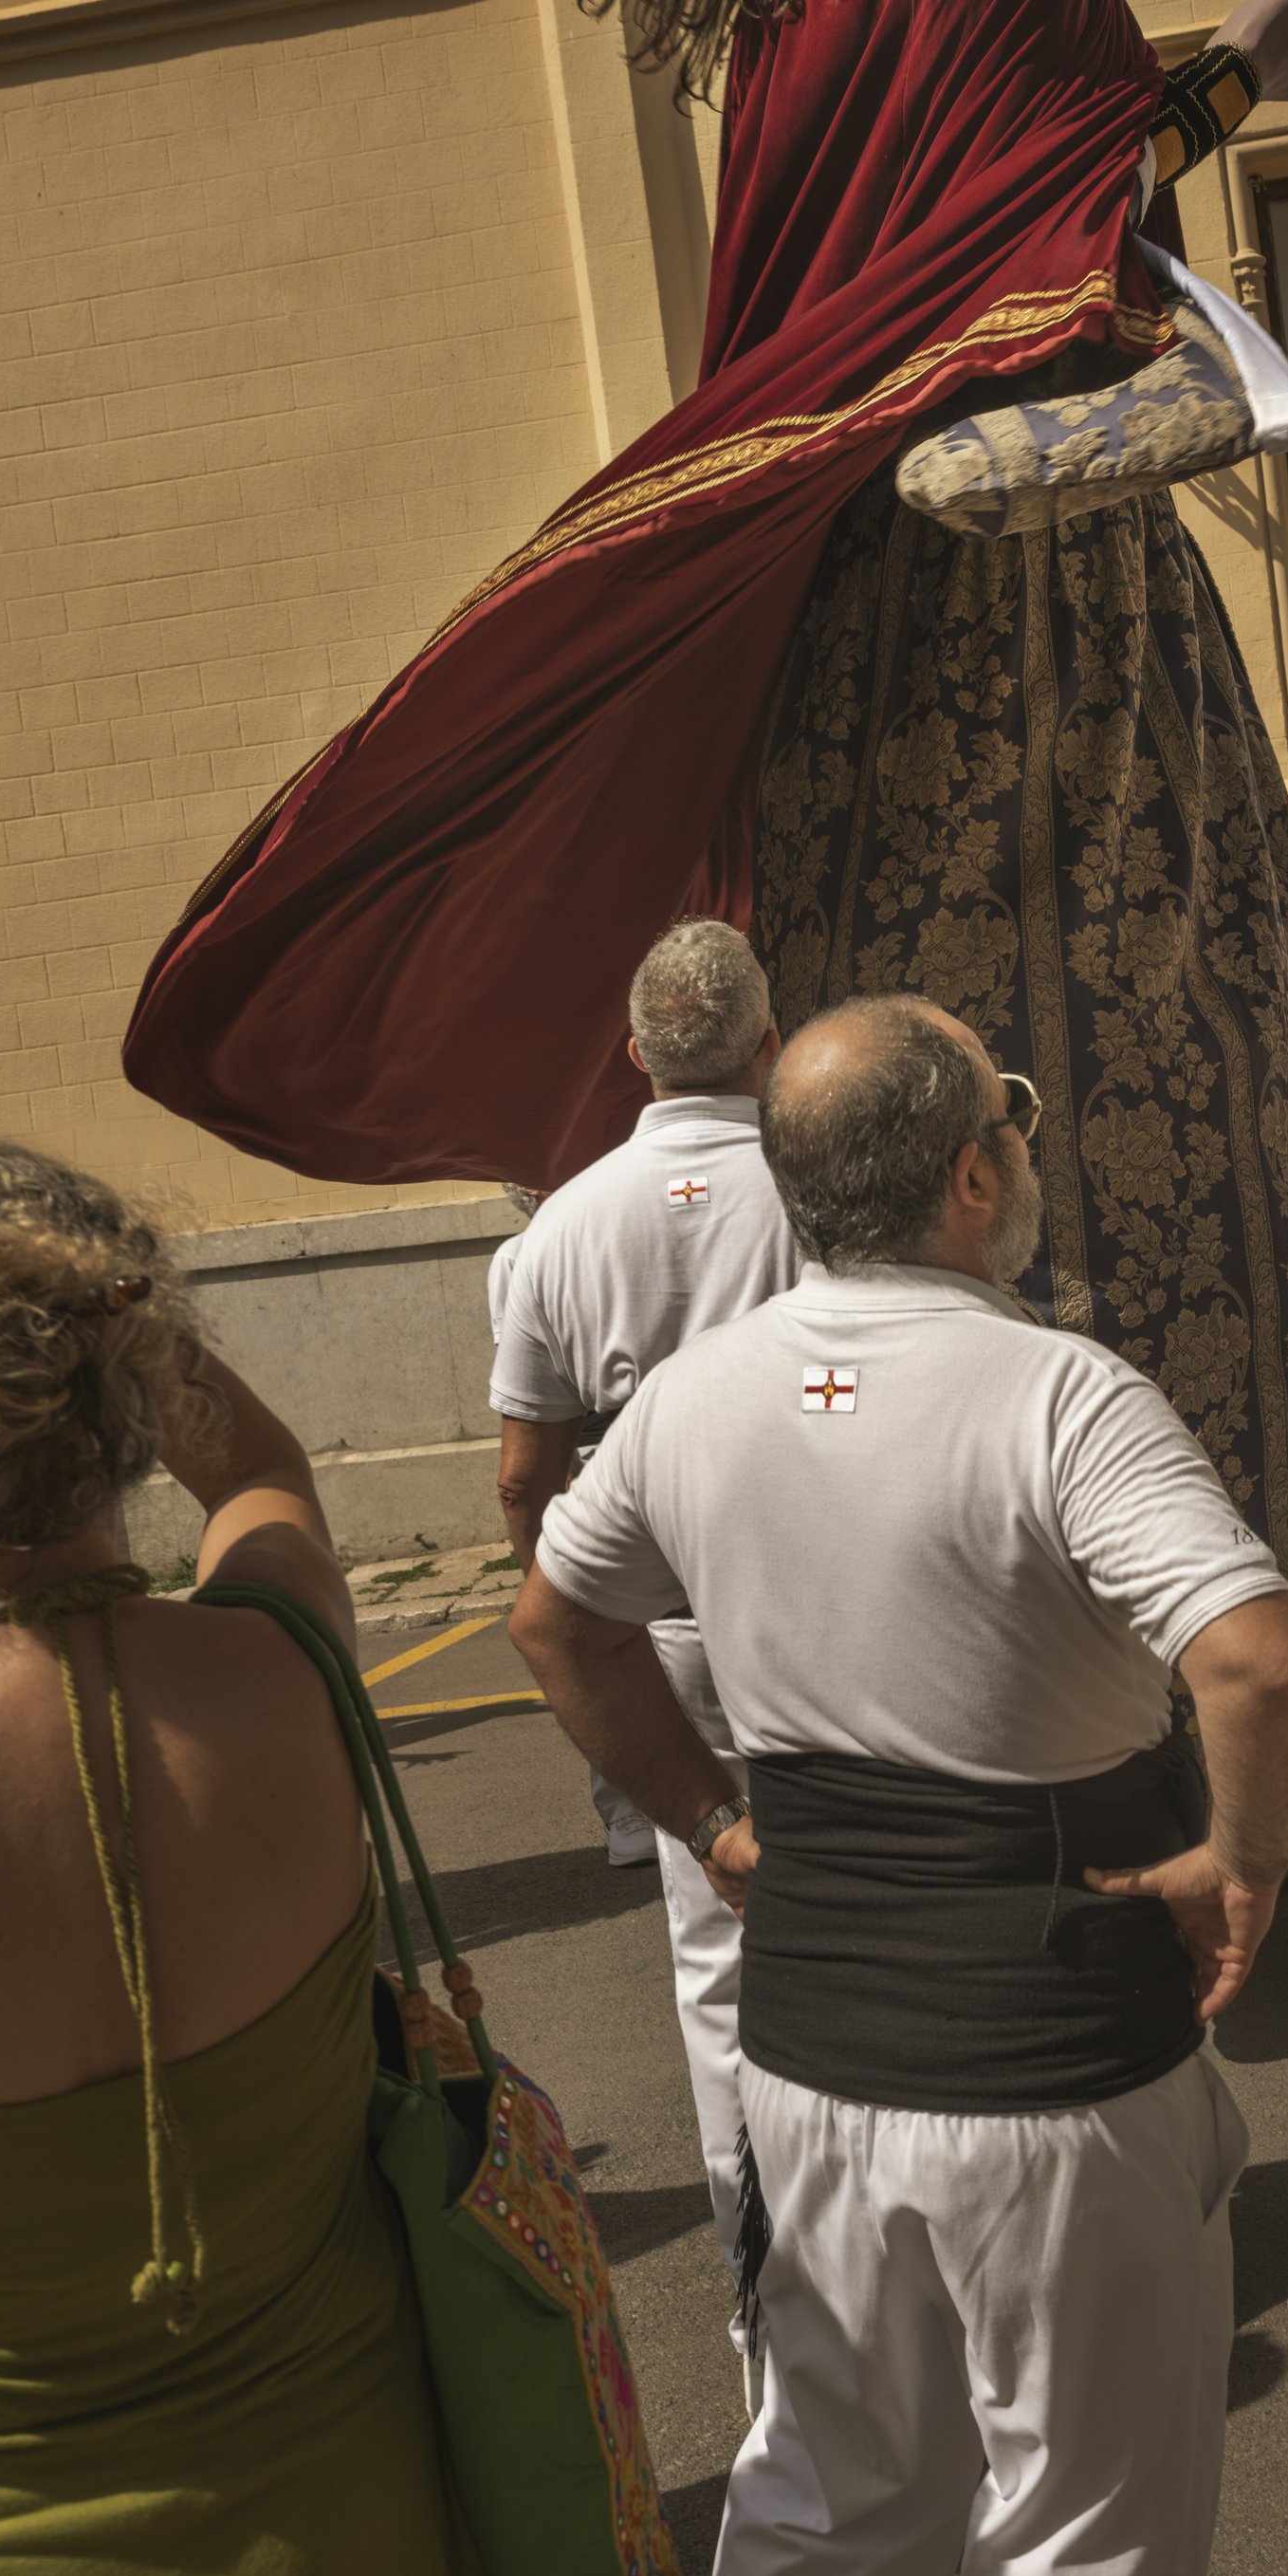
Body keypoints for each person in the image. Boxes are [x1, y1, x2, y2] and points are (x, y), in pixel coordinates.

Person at [125, 0, 1288, 1773]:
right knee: (1140, 1105)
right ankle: (1178, 1698)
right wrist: (1258, 63)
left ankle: (930, 1700)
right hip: (1042, 625)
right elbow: (1042, 251)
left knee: (901, 1154)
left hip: (854, 637)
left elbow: (924, 261)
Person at [509, 995, 1288, 2576]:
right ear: (971, 1175)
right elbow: (1256, 1660)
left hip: (810, 2052)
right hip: (1058, 2054)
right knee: (1077, 2523)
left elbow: (554, 1623)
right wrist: (1241, 1861)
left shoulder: (693, 1396)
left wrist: (712, 1819)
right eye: (1010, 1123)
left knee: (825, 2492)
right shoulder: (1061, 1393)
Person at [0, 1143, 488, 2576]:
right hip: (341, 2568)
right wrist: (119, 1321)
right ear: (129, 1385)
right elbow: (263, 1468)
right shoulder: (287, 1661)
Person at [491, 918, 795, 2336]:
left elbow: (523, 1474)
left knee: (722, 1968)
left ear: (633, 1052)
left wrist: (584, 1615)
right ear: (768, 1039)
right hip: (831, 1598)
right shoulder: (817, 1181)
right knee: (906, 1906)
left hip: (660, 1618)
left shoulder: (558, 1228)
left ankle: (766, 2294)